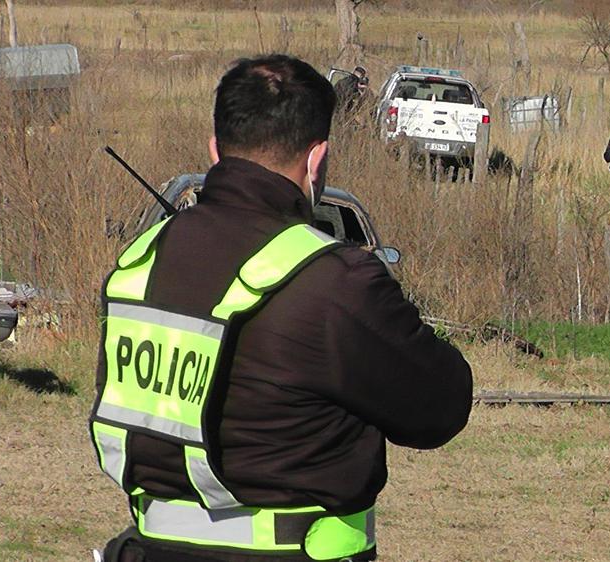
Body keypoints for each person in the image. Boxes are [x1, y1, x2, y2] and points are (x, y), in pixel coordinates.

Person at [90, 55, 473, 562]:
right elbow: (439, 409)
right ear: (317, 160)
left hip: (150, 549)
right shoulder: (334, 281)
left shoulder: (141, 260)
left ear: (215, 150)